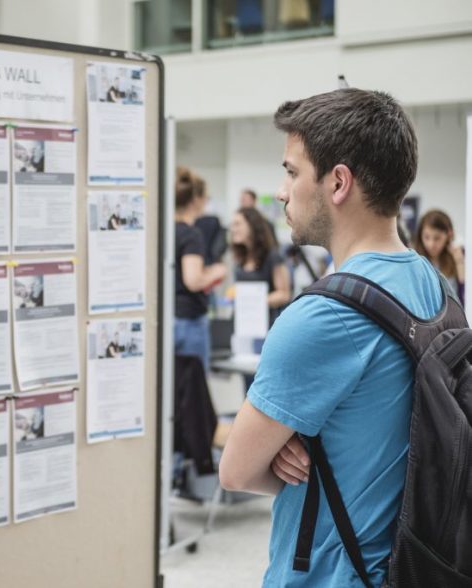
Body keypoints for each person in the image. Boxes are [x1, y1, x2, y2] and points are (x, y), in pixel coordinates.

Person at [219, 88, 440, 587]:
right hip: (409, 566)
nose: (281, 190)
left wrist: (280, 445)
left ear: (338, 182)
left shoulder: (324, 317)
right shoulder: (434, 286)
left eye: (293, 172)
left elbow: (236, 471)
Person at [175, 167, 227, 372]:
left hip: (170, 317)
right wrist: (218, 271)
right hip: (189, 322)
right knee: (194, 387)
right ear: (196, 199)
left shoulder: (166, 230)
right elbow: (193, 280)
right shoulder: (191, 235)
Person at [230, 206, 291, 327]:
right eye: (232, 225)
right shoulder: (240, 257)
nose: (233, 229)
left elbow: (284, 294)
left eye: (238, 224)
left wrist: (254, 301)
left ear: (252, 225)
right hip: (243, 324)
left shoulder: (272, 256)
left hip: (266, 325)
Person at [414, 209, 465, 303]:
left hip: (455, 314)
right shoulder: (415, 259)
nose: (431, 244)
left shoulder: (459, 256)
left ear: (449, 235)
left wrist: (459, 262)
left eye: (437, 238)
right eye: (426, 237)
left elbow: (464, 297)